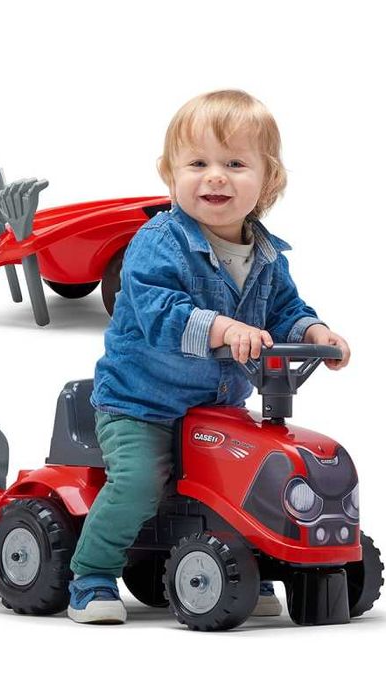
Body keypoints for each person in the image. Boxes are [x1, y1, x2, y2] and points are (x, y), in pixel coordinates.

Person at [67, 90, 351, 624]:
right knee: (139, 483)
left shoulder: (266, 255)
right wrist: (224, 328)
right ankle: (92, 575)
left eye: (235, 164)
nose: (215, 177)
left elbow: (285, 309)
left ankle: (242, 568)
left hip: (216, 409)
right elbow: (160, 313)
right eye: (197, 164)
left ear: (268, 180)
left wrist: (315, 331)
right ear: (169, 174)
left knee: (243, 481)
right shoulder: (157, 243)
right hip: (141, 405)